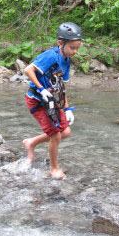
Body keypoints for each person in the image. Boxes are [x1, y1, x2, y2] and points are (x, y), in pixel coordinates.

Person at [22, 22, 83, 180]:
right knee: (55, 135)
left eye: (78, 48)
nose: (75, 51)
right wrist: (41, 89)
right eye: (73, 48)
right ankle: (53, 168)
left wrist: (67, 109)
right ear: (60, 43)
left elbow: (61, 87)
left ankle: (32, 142)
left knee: (66, 132)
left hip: (50, 101)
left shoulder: (66, 61)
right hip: (36, 100)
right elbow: (28, 69)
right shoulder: (51, 56)